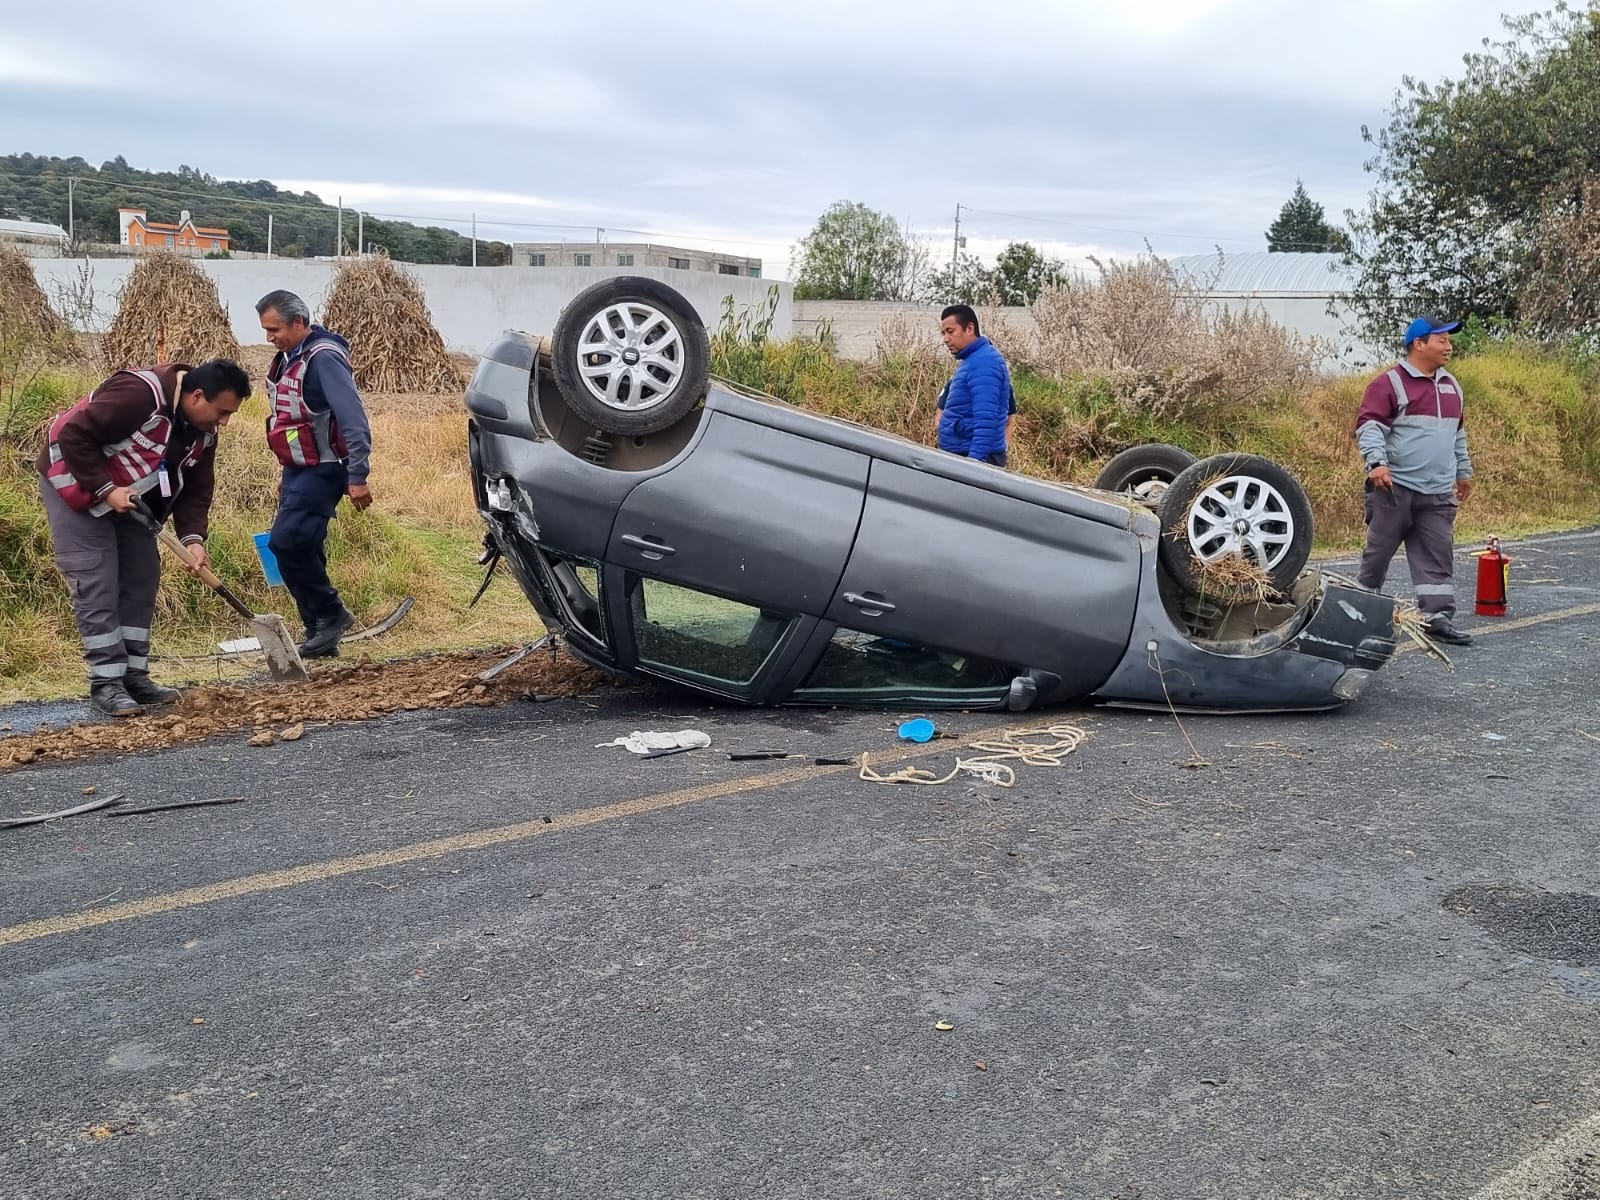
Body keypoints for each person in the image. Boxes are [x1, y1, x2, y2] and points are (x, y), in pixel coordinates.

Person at [37, 359, 251, 716]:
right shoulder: (138, 395)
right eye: (222, 411)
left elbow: (197, 490)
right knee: (97, 579)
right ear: (197, 396)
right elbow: (75, 435)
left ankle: (134, 677)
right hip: (75, 485)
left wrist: (194, 540)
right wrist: (106, 489)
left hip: (131, 498)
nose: (225, 421)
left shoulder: (204, 431)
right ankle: (107, 683)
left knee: (142, 575)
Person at [255, 289, 373, 658]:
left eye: (275, 329)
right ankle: (318, 631)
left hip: (325, 469)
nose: (269, 337)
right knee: (305, 544)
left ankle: (330, 614)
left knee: (285, 543)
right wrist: (287, 469)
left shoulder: (323, 359)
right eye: (266, 330)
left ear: (299, 322)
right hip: (299, 469)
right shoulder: (291, 356)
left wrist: (358, 475)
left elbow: (353, 419)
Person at [1354, 315, 1476, 646]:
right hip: (1394, 489)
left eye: (1449, 340)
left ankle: (1437, 618)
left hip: (1437, 493)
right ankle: (1358, 614)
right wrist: (1376, 463)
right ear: (1418, 344)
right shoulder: (1389, 384)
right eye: (1442, 340)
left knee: (1437, 557)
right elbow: (1370, 427)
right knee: (1377, 556)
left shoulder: (1452, 386)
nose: (1448, 346)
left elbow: (1457, 435)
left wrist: (1463, 472)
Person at [934, 305, 1013, 467]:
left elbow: (986, 419)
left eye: (950, 331)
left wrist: (973, 466)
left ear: (970, 328)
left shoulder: (985, 363)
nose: (946, 339)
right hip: (963, 455)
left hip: (973, 459)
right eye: (943, 333)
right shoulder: (974, 360)